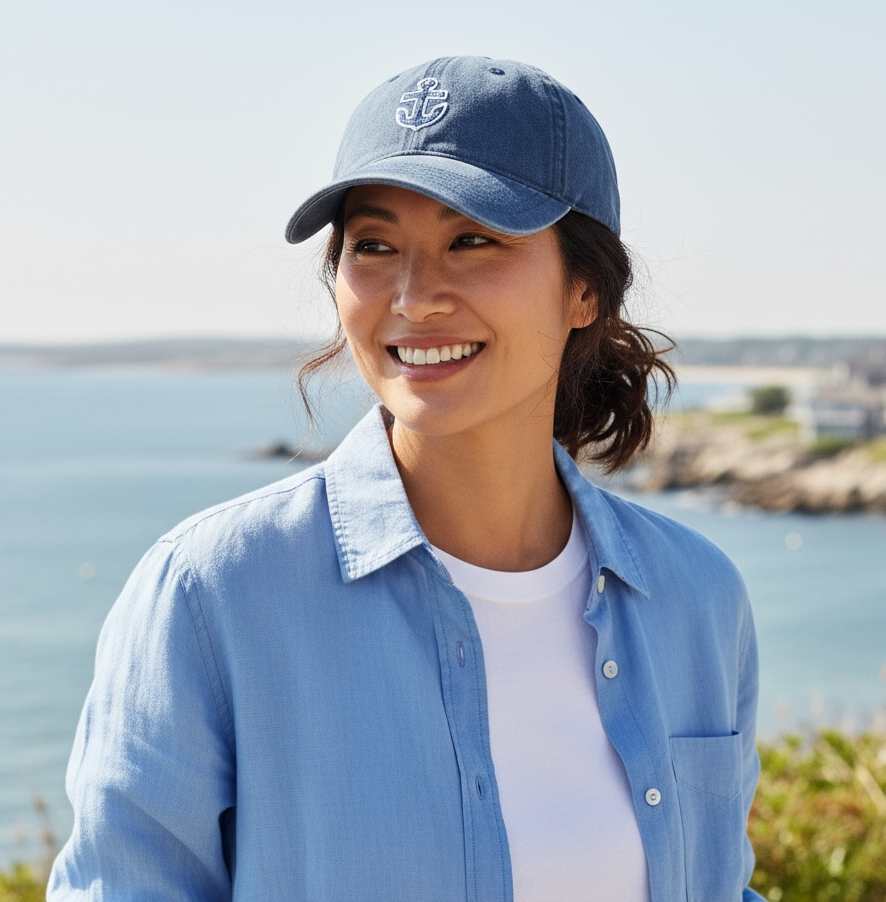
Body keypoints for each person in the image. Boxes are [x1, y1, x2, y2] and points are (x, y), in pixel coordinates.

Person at [49, 56, 765, 901]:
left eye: (473, 240)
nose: (415, 296)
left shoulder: (695, 596)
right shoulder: (213, 594)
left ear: (584, 290)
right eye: (374, 246)